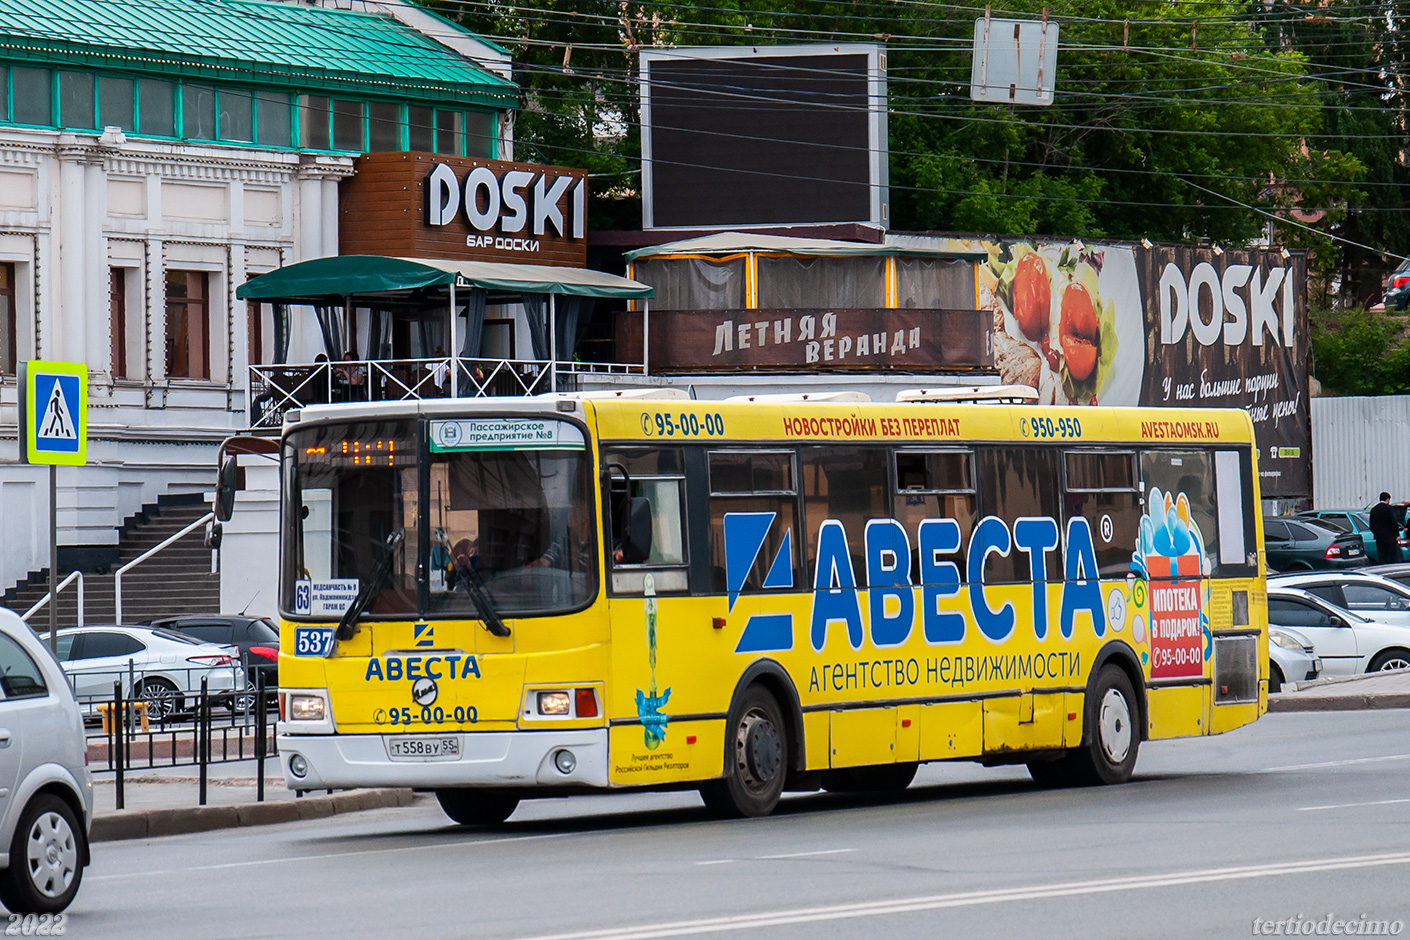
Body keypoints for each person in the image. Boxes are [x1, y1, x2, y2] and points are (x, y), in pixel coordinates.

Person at [1369, 492, 1400, 564]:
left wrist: (1376, 534)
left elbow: (1371, 525)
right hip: (1390, 538)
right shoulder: (1389, 509)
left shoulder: (1373, 510)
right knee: (1392, 558)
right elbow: (1394, 522)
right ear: (1388, 499)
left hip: (1379, 538)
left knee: (1382, 558)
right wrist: (1397, 534)